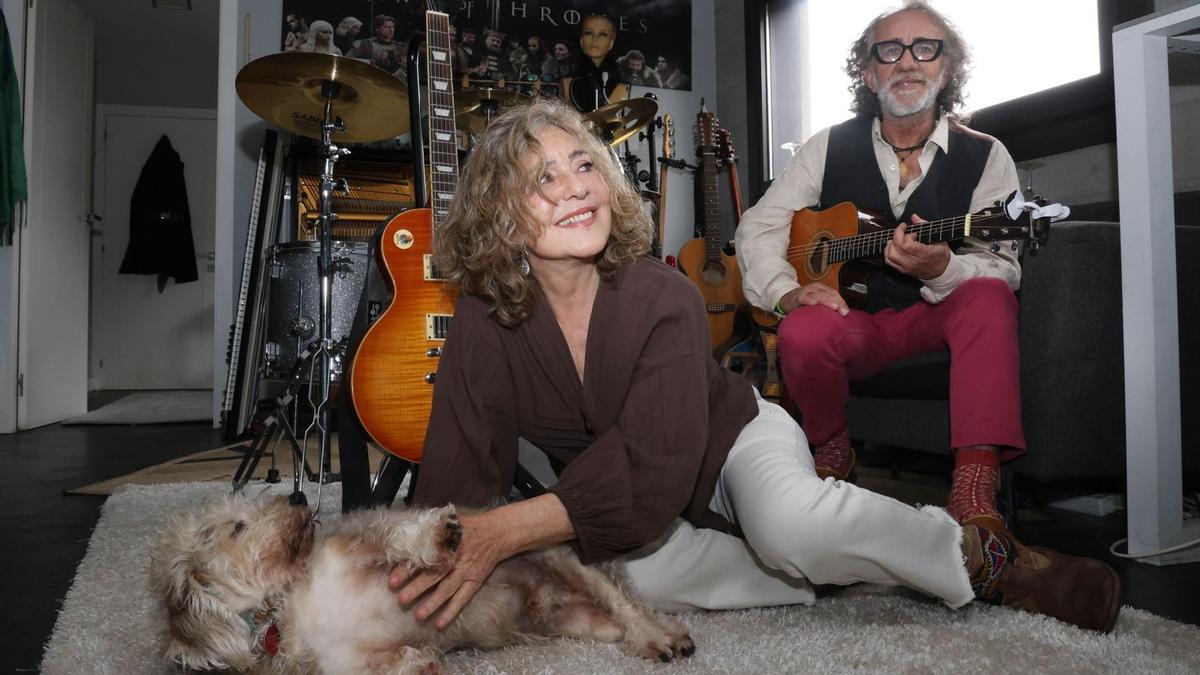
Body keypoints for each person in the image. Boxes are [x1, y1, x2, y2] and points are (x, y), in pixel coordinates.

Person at [386, 98, 1121, 636]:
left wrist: (504, 531)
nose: (577, 185)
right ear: (504, 218)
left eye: (584, 165)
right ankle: (831, 569)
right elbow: (459, 470)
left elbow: (654, 463)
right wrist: (436, 560)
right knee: (604, 578)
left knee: (789, 522)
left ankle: (987, 559)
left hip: (731, 438)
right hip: (632, 507)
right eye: (542, 179)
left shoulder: (663, 293)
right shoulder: (484, 321)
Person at [736, 1, 1026, 536]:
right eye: (889, 51)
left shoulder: (988, 155)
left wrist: (940, 270)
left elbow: (1001, 267)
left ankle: (974, 491)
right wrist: (785, 293)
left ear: (946, 68)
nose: (908, 62)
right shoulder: (827, 146)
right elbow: (760, 226)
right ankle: (832, 450)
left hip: (935, 322)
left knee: (987, 295)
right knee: (802, 326)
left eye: (926, 48)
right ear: (869, 73)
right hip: (859, 324)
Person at [560, 14, 628, 113]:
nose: (595, 39)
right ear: (581, 41)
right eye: (589, 33)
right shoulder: (567, 83)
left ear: (611, 43)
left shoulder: (622, 87)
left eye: (602, 34)